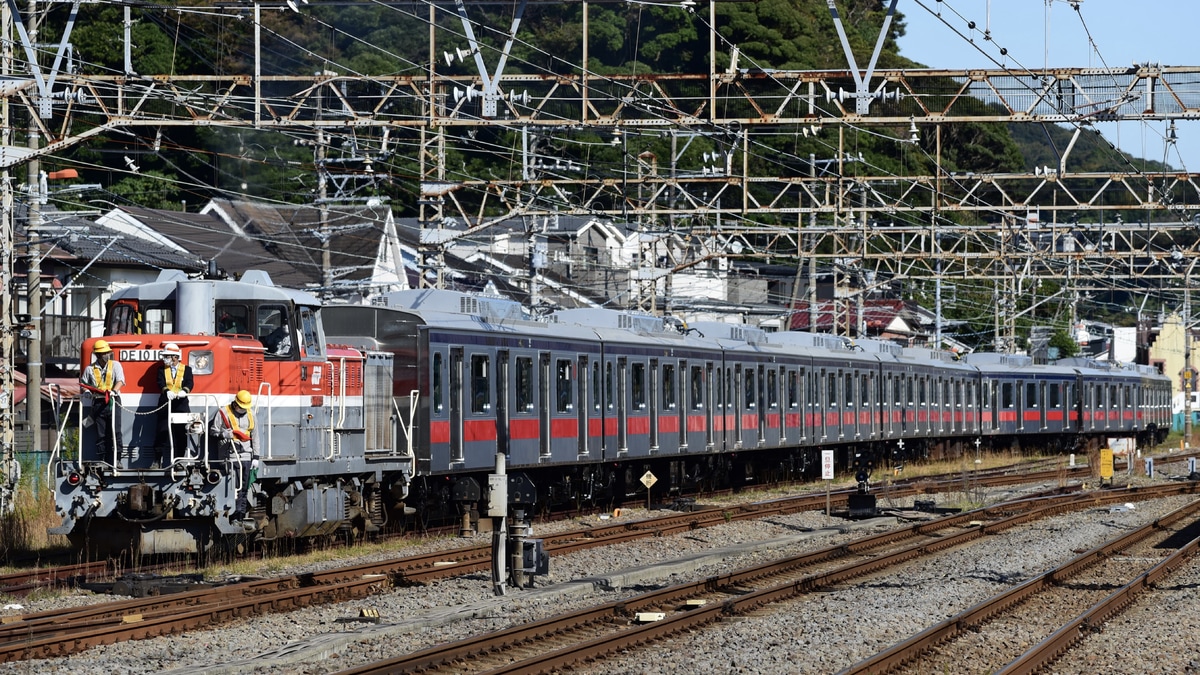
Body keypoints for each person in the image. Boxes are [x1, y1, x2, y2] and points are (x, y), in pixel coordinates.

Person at [209, 389, 258, 521]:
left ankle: (240, 516)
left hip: (246, 456)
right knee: (233, 487)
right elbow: (213, 431)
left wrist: (256, 457)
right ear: (236, 404)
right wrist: (223, 434)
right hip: (229, 456)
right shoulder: (223, 413)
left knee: (244, 488)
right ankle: (231, 515)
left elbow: (255, 436)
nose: (243, 409)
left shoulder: (251, 414)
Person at [80, 339, 125, 462]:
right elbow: (83, 384)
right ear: (98, 355)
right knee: (101, 433)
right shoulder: (89, 369)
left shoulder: (116, 365)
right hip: (98, 403)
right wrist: (87, 392)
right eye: (104, 353)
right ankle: (103, 459)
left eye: (108, 353)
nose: (107, 355)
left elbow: (120, 380)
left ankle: (118, 459)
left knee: (116, 431)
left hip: (113, 401)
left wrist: (114, 391)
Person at [155, 343, 194, 467]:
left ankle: (179, 461)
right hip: (165, 405)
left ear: (175, 357)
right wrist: (166, 391)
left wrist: (185, 391)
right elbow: (160, 382)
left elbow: (190, 382)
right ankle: (157, 461)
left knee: (180, 434)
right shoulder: (161, 370)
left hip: (181, 405)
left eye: (167, 356)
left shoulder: (187, 369)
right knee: (161, 431)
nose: (164, 358)